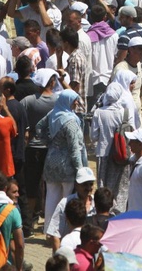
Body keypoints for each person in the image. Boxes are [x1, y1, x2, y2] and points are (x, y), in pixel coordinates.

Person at [38, 89, 87, 233]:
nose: (76, 103)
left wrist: (48, 142)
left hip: (51, 162)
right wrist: (80, 170)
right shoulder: (70, 122)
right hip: (67, 166)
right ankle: (64, 230)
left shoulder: (53, 113)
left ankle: (49, 230)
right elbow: (74, 149)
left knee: (51, 198)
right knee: (67, 199)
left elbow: (39, 127)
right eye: (74, 100)